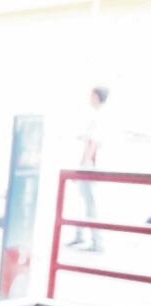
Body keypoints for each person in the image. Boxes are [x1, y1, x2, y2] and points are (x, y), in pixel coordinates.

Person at [68, 86, 109, 252]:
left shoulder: (99, 118)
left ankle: (97, 242)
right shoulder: (98, 116)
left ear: (97, 97)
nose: (89, 98)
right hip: (90, 165)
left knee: (90, 203)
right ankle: (80, 235)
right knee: (84, 202)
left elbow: (92, 144)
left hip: (90, 166)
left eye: (91, 95)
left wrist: (83, 166)